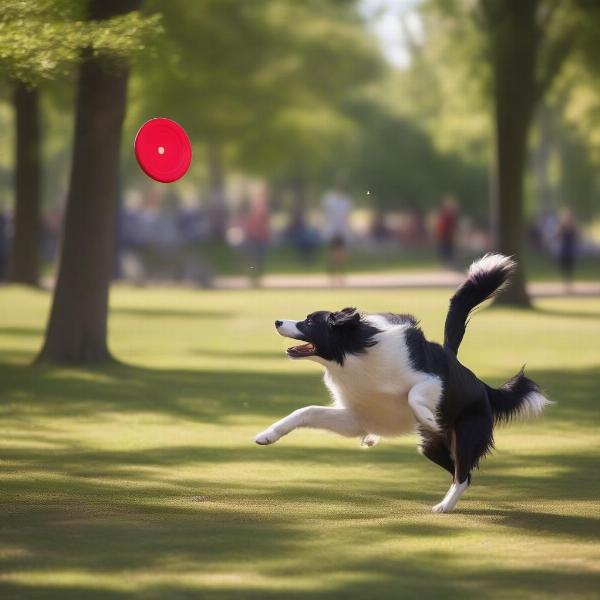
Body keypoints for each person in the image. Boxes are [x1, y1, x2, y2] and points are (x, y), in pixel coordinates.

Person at [322, 181, 352, 285]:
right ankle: (332, 276)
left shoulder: (346, 201)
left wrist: (347, 229)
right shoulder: (329, 200)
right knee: (332, 254)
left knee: (341, 254)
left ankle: (341, 276)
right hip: (332, 230)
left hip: (342, 230)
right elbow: (326, 214)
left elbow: (347, 216)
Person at [242, 185, 271, 287]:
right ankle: (253, 278)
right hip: (254, 236)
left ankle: (256, 278)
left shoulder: (262, 206)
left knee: (259, 259)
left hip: (260, 236)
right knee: (254, 258)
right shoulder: (256, 206)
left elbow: (265, 223)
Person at [557, 208, 578, 293]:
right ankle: (566, 286)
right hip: (564, 251)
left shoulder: (573, 228)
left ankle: (569, 286)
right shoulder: (562, 228)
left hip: (570, 251)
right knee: (565, 269)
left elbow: (576, 237)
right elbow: (558, 236)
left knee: (569, 269)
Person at [435, 195, 458, 268]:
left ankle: (449, 262)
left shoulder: (450, 214)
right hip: (443, 234)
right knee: (444, 248)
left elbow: (453, 224)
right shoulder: (444, 213)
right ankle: (445, 262)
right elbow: (440, 224)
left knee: (448, 248)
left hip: (448, 234)